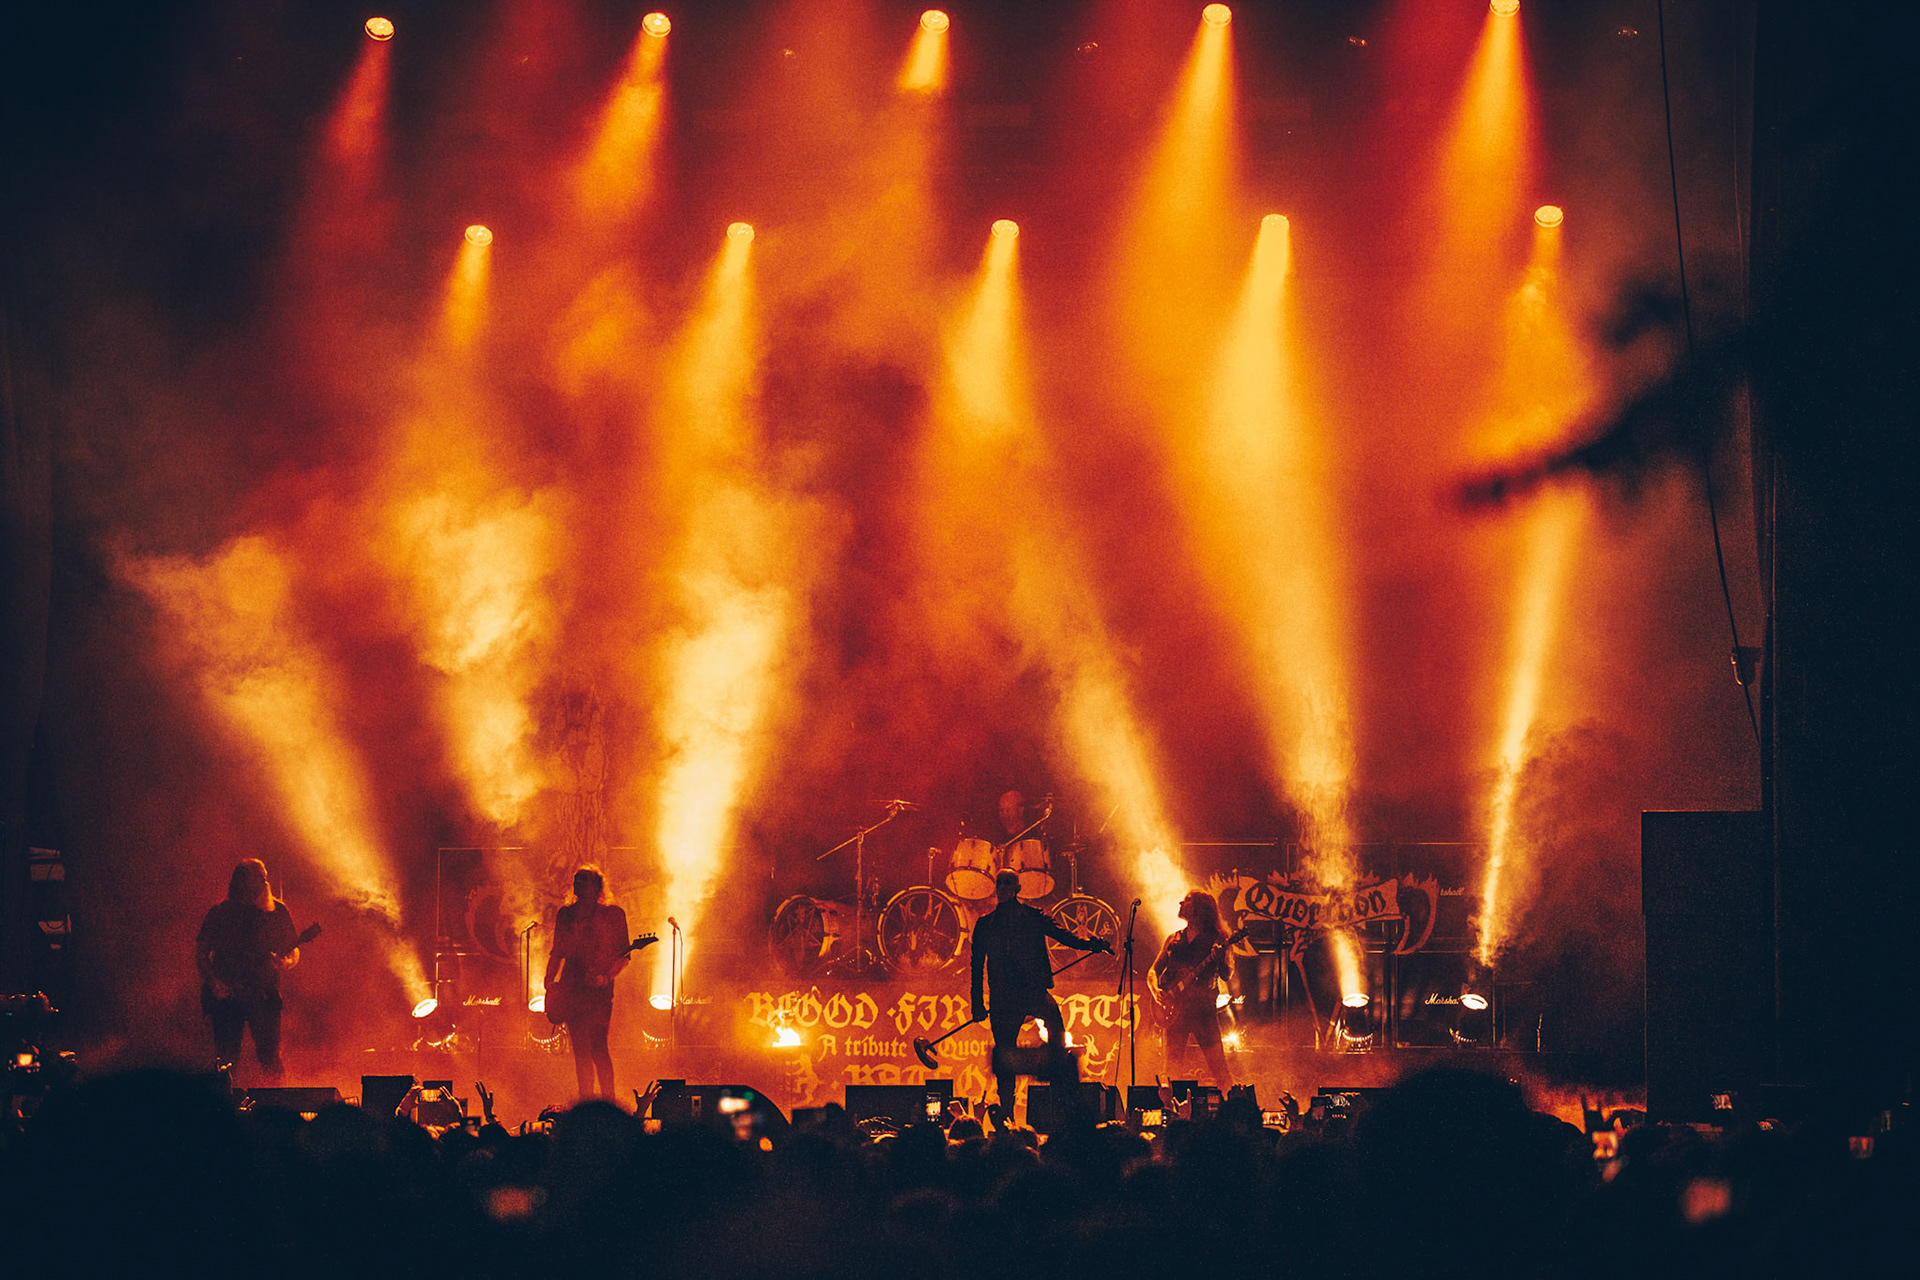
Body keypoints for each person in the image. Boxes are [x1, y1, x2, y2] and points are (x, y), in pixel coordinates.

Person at [970, 869, 1111, 1125]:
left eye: (1008, 883)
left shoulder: (1033, 918)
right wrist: (977, 1003)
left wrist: (1094, 944)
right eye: (999, 883)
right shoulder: (985, 925)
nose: (1002, 887)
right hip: (1003, 998)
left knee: (1055, 1031)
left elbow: (1065, 937)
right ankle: (1008, 1115)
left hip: (1032, 993)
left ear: (1017, 888)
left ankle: (1061, 1099)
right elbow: (976, 965)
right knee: (1004, 1055)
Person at [196, 859, 301, 1081]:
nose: (264, 881)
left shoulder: (277, 911)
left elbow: (294, 949)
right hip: (227, 995)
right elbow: (202, 953)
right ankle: (224, 1106)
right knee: (226, 1059)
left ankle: (277, 1105)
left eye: (265, 875)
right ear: (241, 881)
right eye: (258, 876)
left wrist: (286, 962)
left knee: (270, 1057)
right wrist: (214, 982)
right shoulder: (220, 913)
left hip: (263, 994)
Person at [544, 867, 630, 1099]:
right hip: (571, 989)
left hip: (598, 992)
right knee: (580, 1051)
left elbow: (624, 956)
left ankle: (608, 1102)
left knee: (599, 1048)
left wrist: (606, 976)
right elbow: (557, 952)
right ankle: (586, 1102)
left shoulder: (612, 915)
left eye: (582, 881)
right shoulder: (566, 914)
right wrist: (549, 980)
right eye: (576, 881)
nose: (577, 885)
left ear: (596, 887)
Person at [1151, 889, 1236, 1091]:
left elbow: (1226, 974)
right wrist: (1156, 991)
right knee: (1171, 1067)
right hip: (1174, 1012)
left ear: (1200, 907)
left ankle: (1233, 1108)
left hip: (1203, 1011)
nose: (1181, 903)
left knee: (1218, 1066)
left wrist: (1219, 958)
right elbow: (1153, 971)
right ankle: (1171, 1112)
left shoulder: (1217, 937)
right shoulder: (1173, 939)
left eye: (1187, 900)